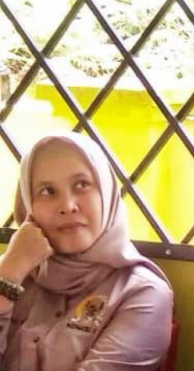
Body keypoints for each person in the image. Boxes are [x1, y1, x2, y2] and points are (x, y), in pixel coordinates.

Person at [0, 132, 173, 371]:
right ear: (28, 205)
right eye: (47, 191)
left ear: (106, 194)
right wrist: (9, 275)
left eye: (82, 185)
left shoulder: (142, 293)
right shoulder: (12, 269)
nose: (67, 206)